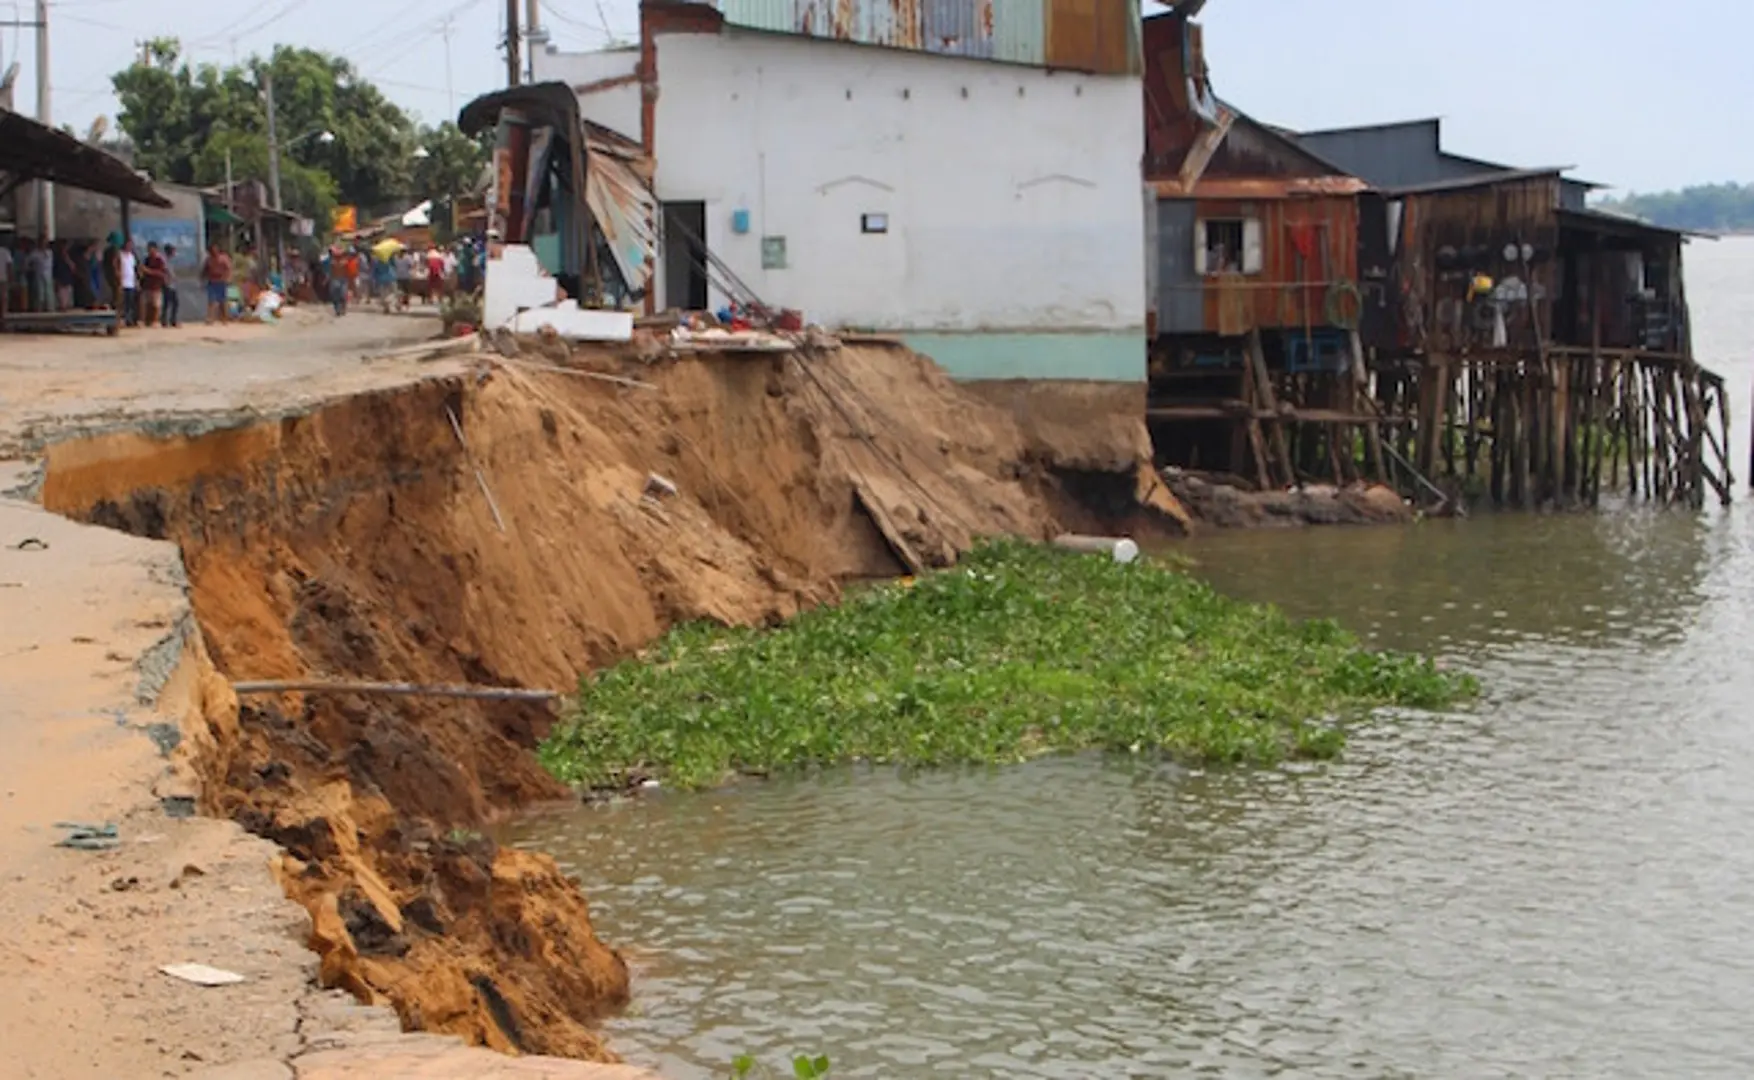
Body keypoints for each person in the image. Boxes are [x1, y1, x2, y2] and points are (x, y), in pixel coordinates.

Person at [201, 242, 232, 323]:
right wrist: (202, 278)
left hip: (221, 281)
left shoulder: (224, 258)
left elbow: (228, 268)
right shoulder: (209, 260)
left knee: (222, 301)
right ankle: (210, 318)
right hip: (212, 281)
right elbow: (205, 270)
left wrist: (228, 278)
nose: (213, 252)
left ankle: (224, 318)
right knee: (211, 300)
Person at [140, 241, 168, 327]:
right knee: (145, 304)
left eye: (151, 249)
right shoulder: (147, 259)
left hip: (156, 286)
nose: (149, 251)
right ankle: (144, 321)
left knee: (156, 305)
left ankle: (155, 321)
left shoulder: (159, 260)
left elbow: (161, 273)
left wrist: (149, 271)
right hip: (147, 285)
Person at [118, 238, 139, 326]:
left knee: (130, 303)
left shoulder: (132, 256)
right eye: (128, 245)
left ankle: (129, 319)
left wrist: (136, 281)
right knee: (122, 302)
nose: (129, 247)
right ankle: (121, 319)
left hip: (131, 283)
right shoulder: (120, 255)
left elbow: (134, 269)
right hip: (122, 282)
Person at [161, 244, 181, 327]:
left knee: (175, 303)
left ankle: (172, 320)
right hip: (167, 284)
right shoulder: (164, 260)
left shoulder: (171, 260)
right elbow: (165, 270)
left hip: (172, 284)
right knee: (167, 303)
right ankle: (165, 320)